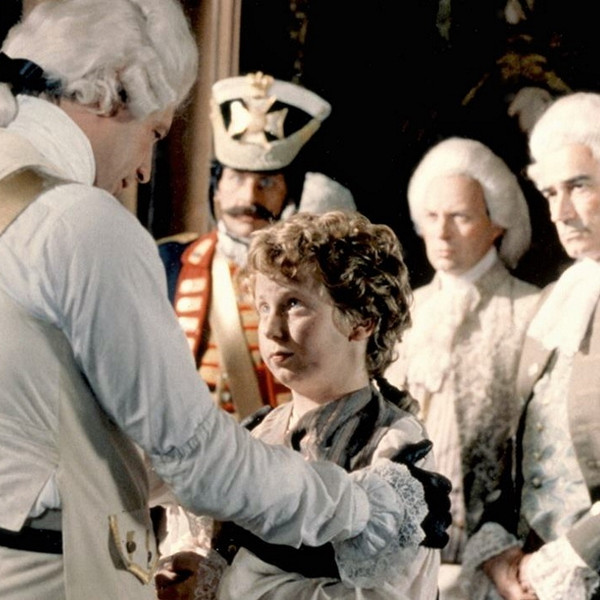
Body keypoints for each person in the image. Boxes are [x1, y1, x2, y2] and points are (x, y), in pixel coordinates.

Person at [0, 2, 449, 599]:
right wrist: (361, 507)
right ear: (112, 94)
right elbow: (197, 460)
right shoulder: (80, 221)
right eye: (155, 133)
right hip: (55, 573)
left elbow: (65, 435)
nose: (144, 170)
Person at [155, 210, 447, 599]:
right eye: (263, 307)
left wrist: (221, 587)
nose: (271, 329)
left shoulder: (394, 446)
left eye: (293, 304)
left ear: (361, 320)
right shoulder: (257, 431)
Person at [385, 137, 540, 599]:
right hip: (399, 557)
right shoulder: (403, 312)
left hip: (494, 560)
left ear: (497, 223)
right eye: (432, 217)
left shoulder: (532, 310)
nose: (442, 233)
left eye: (461, 217)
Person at [462, 92, 600, 600]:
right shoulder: (555, 301)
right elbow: (522, 455)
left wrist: (570, 559)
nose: (560, 212)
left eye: (579, 186)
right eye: (549, 192)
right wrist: (502, 552)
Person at [158, 71, 355, 419]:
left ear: (289, 194)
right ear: (217, 189)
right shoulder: (170, 262)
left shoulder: (320, 275)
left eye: (266, 183)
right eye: (236, 179)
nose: (248, 198)